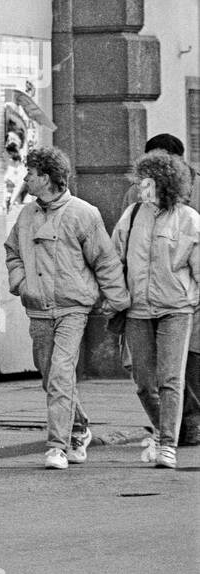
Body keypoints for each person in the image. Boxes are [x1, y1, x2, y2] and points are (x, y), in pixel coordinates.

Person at [4, 147, 129, 470]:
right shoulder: (26, 216)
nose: (26, 178)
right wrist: (21, 283)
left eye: (30, 173)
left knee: (61, 373)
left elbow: (105, 260)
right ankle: (80, 426)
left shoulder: (83, 213)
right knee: (51, 377)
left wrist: (117, 302)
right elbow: (12, 252)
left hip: (73, 308)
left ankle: (57, 446)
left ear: (46, 177)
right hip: (39, 309)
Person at [111, 150, 200, 469]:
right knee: (144, 382)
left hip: (176, 310)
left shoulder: (188, 219)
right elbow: (114, 259)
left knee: (170, 379)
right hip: (137, 310)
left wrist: (190, 299)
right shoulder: (132, 215)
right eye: (140, 183)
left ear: (164, 184)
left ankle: (167, 444)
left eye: (147, 184)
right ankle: (165, 431)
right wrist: (116, 295)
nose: (141, 190)